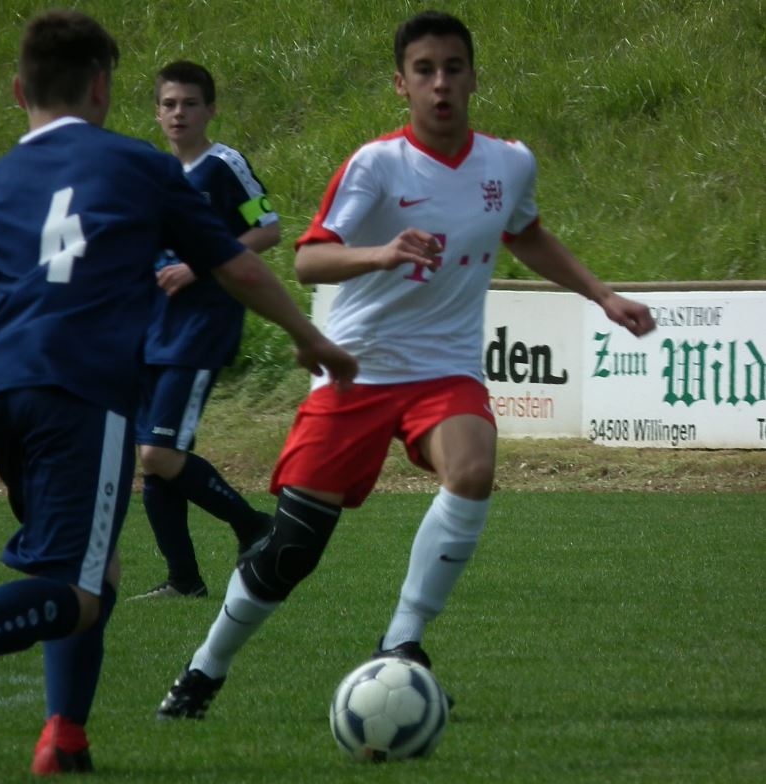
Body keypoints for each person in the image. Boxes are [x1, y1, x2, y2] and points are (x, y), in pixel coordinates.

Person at [0, 10, 355, 774]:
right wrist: (310, 338)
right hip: (80, 388)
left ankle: (64, 737)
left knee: (92, 564)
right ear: (101, 88)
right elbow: (237, 263)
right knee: (78, 587)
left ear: (17, 91)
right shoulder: (140, 167)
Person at [155, 10, 656, 720]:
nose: (440, 83)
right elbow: (309, 259)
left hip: (444, 370)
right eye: (424, 71)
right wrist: (382, 253)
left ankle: (402, 642)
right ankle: (204, 669)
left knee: (472, 468)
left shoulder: (509, 163)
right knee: (291, 550)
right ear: (401, 84)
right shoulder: (376, 165)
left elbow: (526, 233)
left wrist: (602, 294)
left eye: (453, 68)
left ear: (473, 77)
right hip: (356, 368)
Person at [133, 61, 281, 600]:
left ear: (210, 110)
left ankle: (254, 526)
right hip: (152, 328)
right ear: (157, 112)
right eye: (169, 104)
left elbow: (268, 227)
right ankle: (183, 580)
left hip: (200, 326)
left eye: (190, 104)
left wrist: (199, 265)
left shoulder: (224, 165)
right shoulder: (152, 172)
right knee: (155, 461)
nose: (179, 113)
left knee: (158, 453)